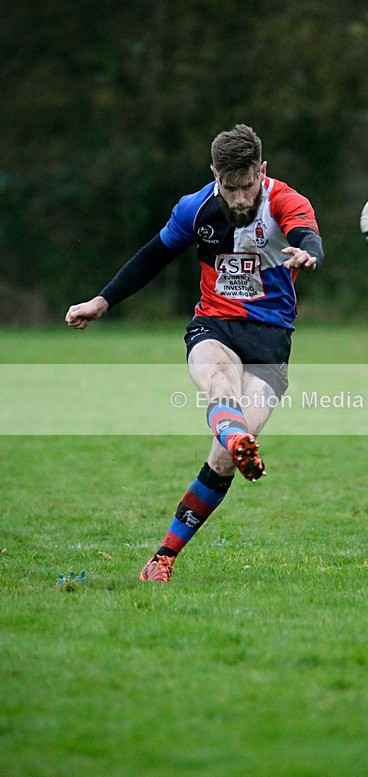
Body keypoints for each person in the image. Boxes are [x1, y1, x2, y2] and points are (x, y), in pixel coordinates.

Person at [65, 124, 324, 581]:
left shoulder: (285, 200)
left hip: (271, 338)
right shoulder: (195, 208)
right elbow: (152, 256)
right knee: (219, 385)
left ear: (262, 172)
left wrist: (307, 254)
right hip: (214, 325)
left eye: (248, 187)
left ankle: (169, 546)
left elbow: (306, 233)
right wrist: (101, 301)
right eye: (230, 188)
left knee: (225, 458)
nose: (241, 200)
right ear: (214, 175)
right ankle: (160, 563)